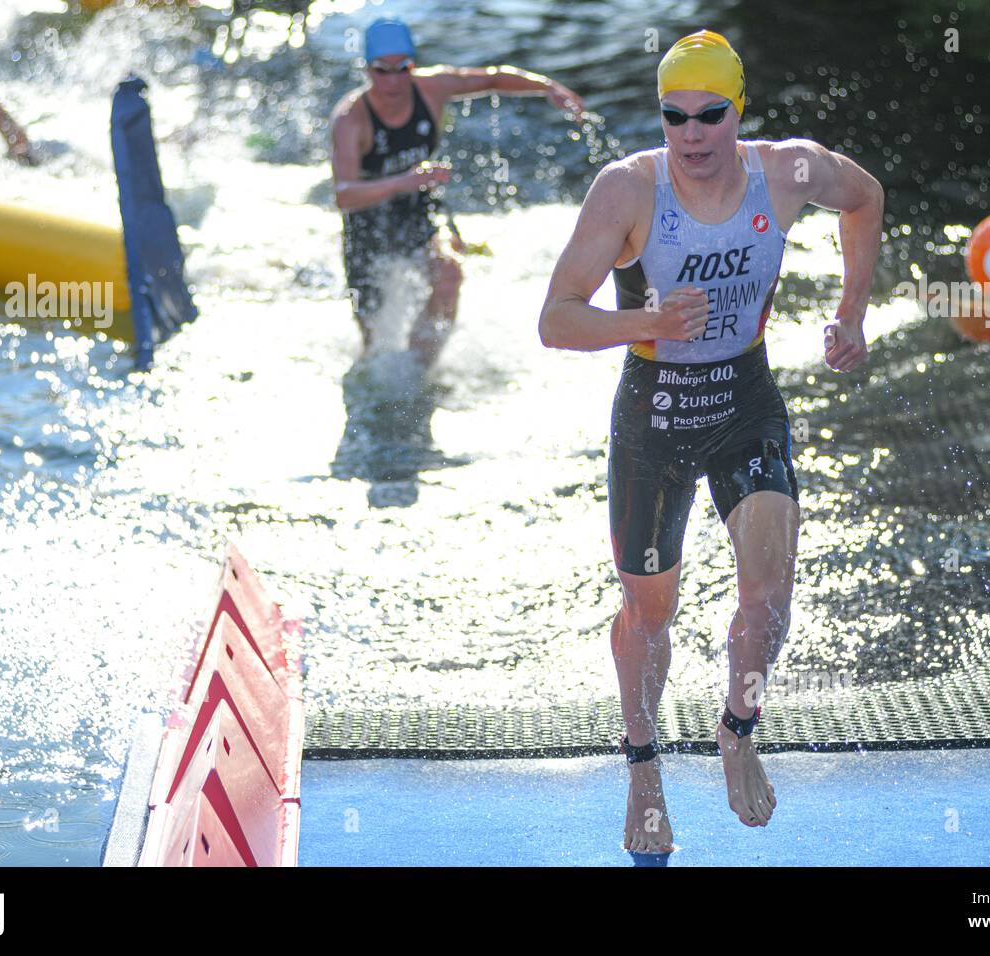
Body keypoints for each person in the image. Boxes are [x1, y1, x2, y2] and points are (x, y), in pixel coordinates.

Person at [538, 30, 882, 861]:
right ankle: (645, 768)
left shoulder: (790, 171)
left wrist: (853, 310)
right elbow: (556, 318)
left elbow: (866, 196)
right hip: (653, 420)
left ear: (740, 112)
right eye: (673, 117)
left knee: (767, 600)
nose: (691, 135)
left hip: (744, 402)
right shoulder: (626, 191)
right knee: (650, 613)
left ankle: (737, 729)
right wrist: (646, 322)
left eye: (709, 116)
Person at [330, 17, 585, 368]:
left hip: (417, 212)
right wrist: (405, 180)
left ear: (412, 65)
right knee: (371, 338)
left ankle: (418, 369)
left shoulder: (431, 88)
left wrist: (547, 87)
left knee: (449, 275)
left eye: (401, 68)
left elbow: (492, 77)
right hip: (368, 227)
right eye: (382, 70)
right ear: (367, 70)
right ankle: (380, 375)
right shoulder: (350, 118)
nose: (393, 80)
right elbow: (344, 195)